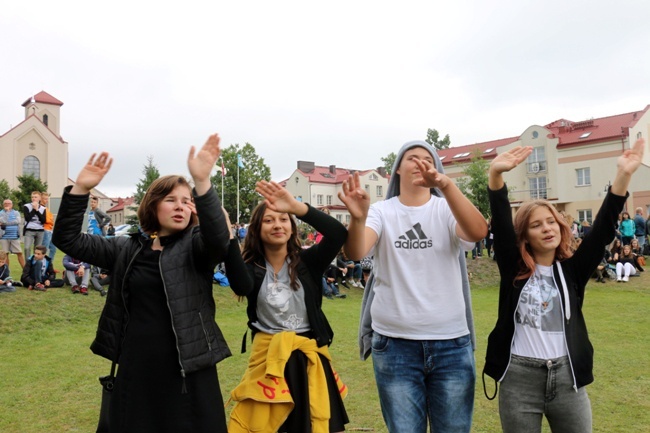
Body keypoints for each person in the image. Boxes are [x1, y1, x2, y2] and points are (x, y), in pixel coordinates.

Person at [52, 134, 240, 433]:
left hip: (187, 371)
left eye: (187, 202)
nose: (181, 207)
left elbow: (220, 240)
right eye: (171, 200)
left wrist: (202, 183)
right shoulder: (126, 248)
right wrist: (80, 190)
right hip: (137, 369)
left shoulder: (196, 247)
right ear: (153, 206)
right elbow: (67, 239)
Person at [482, 138, 645, 433]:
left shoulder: (573, 270)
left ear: (561, 226)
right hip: (519, 378)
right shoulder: (513, 268)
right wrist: (496, 175)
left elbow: (603, 227)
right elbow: (502, 224)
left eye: (551, 222)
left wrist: (623, 175)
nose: (547, 228)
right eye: (536, 225)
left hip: (567, 376)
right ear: (525, 236)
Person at [340, 140, 487, 433]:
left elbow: (478, 231)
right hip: (395, 345)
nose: (420, 162)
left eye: (427, 158)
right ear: (397, 170)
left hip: (451, 343)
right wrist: (358, 219)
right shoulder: (382, 211)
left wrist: (446, 185)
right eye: (411, 158)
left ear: (436, 169)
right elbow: (356, 252)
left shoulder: (446, 209)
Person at [224, 180, 350, 433]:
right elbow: (239, 285)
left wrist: (297, 207)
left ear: (292, 228)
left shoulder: (309, 262)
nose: (277, 225)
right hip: (268, 357)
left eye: (283, 219)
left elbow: (338, 234)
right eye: (268, 221)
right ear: (257, 229)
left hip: (307, 356)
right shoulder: (251, 268)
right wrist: (227, 237)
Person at [0, 199, 25, 268]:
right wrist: (7, 212)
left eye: (9, 203)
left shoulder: (16, 212)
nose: (7, 205)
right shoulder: (1, 213)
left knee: (19, 253)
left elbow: (18, 221)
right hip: (4, 237)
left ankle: (25, 270)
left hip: (14, 236)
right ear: (3, 205)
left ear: (12, 205)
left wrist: (5, 223)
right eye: (5, 203)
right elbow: (2, 220)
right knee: (5, 254)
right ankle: (6, 271)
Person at [23, 191, 46, 258]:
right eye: (32, 197)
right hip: (29, 230)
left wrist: (37, 210)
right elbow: (27, 218)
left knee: (38, 249)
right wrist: (34, 209)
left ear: (39, 198)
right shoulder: (26, 206)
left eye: (35, 197)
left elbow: (43, 220)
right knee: (27, 248)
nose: (33, 198)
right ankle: (28, 264)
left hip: (40, 230)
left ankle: (36, 263)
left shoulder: (43, 208)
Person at [40, 192, 57, 262]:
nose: (46, 200)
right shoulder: (40, 208)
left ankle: (49, 264)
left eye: (47, 199)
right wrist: (50, 221)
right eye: (45, 199)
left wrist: (50, 221)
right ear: (41, 199)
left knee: (53, 248)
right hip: (45, 230)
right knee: (45, 248)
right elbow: (46, 220)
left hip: (50, 230)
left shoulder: (46, 208)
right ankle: (42, 264)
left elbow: (51, 219)